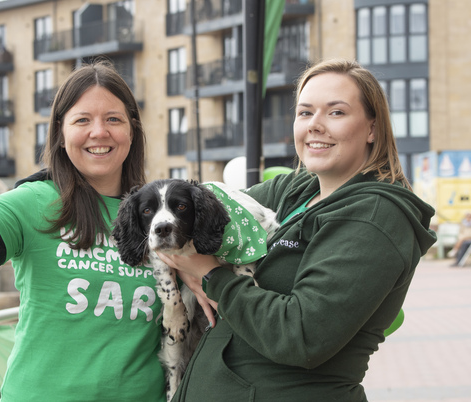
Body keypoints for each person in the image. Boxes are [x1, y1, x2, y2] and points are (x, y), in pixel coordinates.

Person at [158, 59, 437, 401]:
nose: (315, 126)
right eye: (305, 113)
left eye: (336, 112)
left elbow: (301, 336)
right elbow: (201, 211)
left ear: (372, 129)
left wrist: (209, 275)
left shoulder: (375, 217)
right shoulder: (296, 190)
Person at [0, 61, 168, 401]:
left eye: (113, 119)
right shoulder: (34, 203)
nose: (99, 132)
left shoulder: (161, 218)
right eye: (82, 120)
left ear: (132, 131)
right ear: (60, 133)